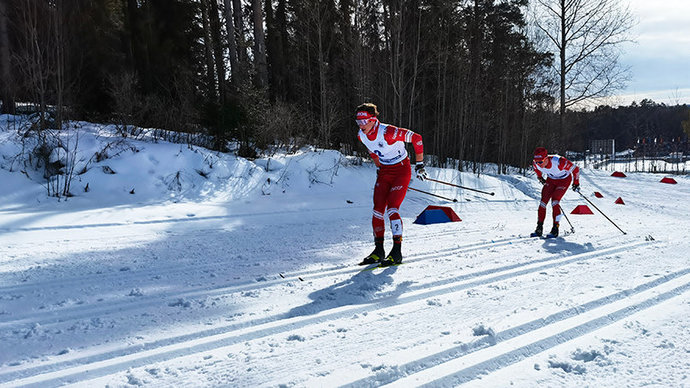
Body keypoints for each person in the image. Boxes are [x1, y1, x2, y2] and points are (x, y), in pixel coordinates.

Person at [355, 103, 427, 266]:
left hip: (401, 171)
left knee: (392, 209)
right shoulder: (361, 135)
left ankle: (396, 252)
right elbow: (372, 151)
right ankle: (378, 251)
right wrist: (379, 167)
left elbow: (417, 138)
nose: (361, 125)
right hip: (385, 172)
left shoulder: (388, 132)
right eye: (358, 122)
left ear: (373, 120)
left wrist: (420, 164)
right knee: (377, 211)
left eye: (364, 121)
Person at [532, 147, 580, 237]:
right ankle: (539, 228)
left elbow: (576, 169)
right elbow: (537, 170)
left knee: (555, 201)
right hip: (551, 180)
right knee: (543, 202)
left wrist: (576, 183)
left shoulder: (559, 162)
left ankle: (555, 228)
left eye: (540, 162)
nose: (538, 164)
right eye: (536, 161)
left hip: (564, 180)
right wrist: (540, 178)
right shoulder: (536, 164)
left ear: (546, 158)